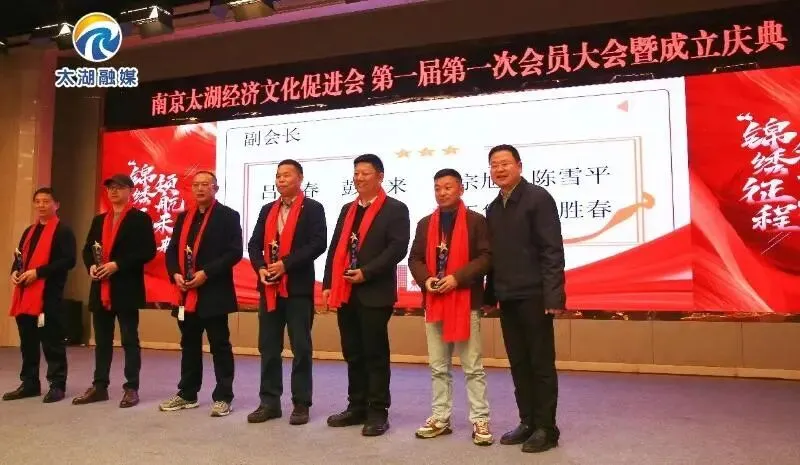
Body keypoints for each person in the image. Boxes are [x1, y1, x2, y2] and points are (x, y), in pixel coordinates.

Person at [484, 144, 566, 454]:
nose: (499, 169)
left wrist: (554, 295)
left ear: (519, 165)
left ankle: (547, 428)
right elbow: (494, 258)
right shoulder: (494, 207)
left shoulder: (538, 198)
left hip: (534, 295)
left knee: (540, 364)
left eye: (505, 163)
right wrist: (490, 295)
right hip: (508, 296)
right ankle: (528, 421)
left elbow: (551, 250)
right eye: (494, 165)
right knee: (519, 363)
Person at [322, 154, 410, 437]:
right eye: (356, 173)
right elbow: (336, 247)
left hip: (375, 292)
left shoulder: (395, 209)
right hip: (346, 291)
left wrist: (367, 272)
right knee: (353, 352)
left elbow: (397, 249)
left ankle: (378, 411)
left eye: (365, 173)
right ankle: (356, 406)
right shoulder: (347, 209)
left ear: (380, 176)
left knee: (375, 353)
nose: (359, 178)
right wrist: (328, 283)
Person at [407, 169, 493, 446]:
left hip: (465, 301)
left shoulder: (476, 221)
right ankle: (440, 417)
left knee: (473, 367)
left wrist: (457, 278)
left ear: (461, 189)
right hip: (435, 301)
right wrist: (427, 280)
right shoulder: (425, 224)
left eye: (447, 187)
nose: (442, 192)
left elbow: (486, 257)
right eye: (437, 188)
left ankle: (480, 419)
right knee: (438, 366)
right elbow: (414, 259)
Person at [246, 159, 327, 425]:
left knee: (301, 347)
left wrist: (286, 264)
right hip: (269, 288)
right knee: (268, 347)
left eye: (287, 175)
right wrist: (260, 268)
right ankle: (269, 402)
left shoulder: (313, 208)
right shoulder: (267, 209)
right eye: (278, 175)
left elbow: (318, 243)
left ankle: (301, 403)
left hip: (297, 289)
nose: (281, 179)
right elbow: (254, 244)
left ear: (300, 178)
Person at [160, 171, 243, 417]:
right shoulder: (183, 217)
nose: (199, 189)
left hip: (213, 290)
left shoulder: (228, 216)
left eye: (205, 184)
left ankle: (223, 396)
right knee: (189, 345)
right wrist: (175, 273)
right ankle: (187, 393)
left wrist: (206, 273)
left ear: (215, 188)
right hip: (185, 292)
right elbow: (172, 250)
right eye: (196, 185)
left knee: (220, 345)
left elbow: (234, 252)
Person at [73, 174, 157, 408]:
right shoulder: (99, 220)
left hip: (126, 287)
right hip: (100, 287)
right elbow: (88, 249)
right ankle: (99, 386)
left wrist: (117, 264)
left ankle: (131, 387)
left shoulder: (139, 219)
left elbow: (148, 251)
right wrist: (91, 266)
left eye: (119, 187)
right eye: (110, 187)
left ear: (131, 191)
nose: (113, 191)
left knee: (129, 340)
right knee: (102, 341)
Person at [3, 187, 76, 404]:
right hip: (25, 294)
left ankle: (57, 384)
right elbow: (19, 258)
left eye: (46, 201)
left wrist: (39, 272)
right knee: (28, 342)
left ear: (56, 205)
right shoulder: (29, 231)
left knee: (52, 342)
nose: (41, 205)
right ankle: (30, 383)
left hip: (48, 294)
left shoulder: (63, 231)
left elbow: (68, 261)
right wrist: (14, 272)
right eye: (38, 201)